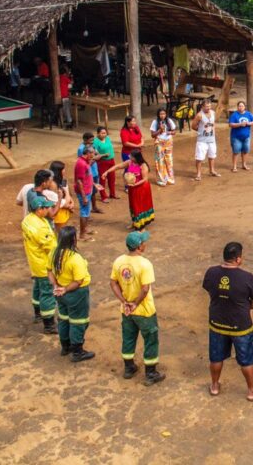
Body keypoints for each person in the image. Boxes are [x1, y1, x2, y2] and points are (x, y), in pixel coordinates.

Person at [202, 242, 253, 400]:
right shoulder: (247, 277)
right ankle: (252, 391)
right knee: (247, 360)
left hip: (217, 323)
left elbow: (208, 289)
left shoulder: (211, 272)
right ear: (238, 259)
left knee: (216, 357)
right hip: (241, 326)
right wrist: (246, 307)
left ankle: (215, 386)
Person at [109, 231, 165, 385]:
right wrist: (135, 303)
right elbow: (145, 288)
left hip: (126, 310)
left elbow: (113, 283)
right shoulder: (145, 264)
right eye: (144, 242)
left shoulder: (119, 261)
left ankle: (128, 368)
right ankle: (151, 373)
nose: (145, 244)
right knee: (150, 340)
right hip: (144, 310)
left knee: (128, 337)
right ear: (140, 246)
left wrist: (124, 301)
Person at [48, 226, 94, 361]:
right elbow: (78, 281)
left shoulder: (53, 253)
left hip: (60, 293)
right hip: (76, 294)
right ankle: (77, 352)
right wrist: (66, 289)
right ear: (73, 240)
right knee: (78, 321)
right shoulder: (75, 258)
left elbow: (49, 271)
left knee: (63, 318)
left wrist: (56, 285)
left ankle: (65, 346)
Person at [22, 195, 58, 332]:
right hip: (44, 265)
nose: (49, 209)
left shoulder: (28, 220)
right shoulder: (40, 228)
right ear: (39, 209)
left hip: (34, 262)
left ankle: (38, 314)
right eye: (47, 207)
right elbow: (51, 247)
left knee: (37, 288)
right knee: (48, 292)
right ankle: (49, 324)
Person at [101, 149, 155, 230]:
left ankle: (141, 226)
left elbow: (145, 179)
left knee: (140, 206)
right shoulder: (129, 162)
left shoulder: (143, 165)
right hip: (133, 188)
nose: (129, 156)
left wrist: (134, 184)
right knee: (133, 205)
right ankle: (135, 223)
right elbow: (118, 166)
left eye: (131, 156)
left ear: (136, 158)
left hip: (141, 189)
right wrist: (107, 172)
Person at [74, 146, 102, 240]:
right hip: (84, 192)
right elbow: (79, 181)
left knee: (87, 211)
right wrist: (84, 196)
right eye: (93, 153)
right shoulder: (81, 163)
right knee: (84, 213)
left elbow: (87, 176)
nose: (94, 155)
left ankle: (85, 229)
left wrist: (93, 184)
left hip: (87, 190)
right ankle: (82, 235)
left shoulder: (85, 161)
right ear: (88, 153)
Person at [192, 99, 220, 180]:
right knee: (199, 157)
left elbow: (213, 123)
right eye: (207, 106)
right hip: (202, 140)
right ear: (202, 107)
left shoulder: (213, 113)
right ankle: (198, 174)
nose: (209, 108)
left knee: (212, 155)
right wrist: (201, 130)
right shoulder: (199, 115)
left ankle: (212, 170)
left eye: (210, 106)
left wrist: (213, 131)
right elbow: (193, 126)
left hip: (211, 139)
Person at [150, 108, 177, 186]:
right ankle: (161, 180)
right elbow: (152, 135)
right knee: (159, 161)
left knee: (169, 160)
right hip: (159, 142)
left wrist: (170, 132)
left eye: (164, 114)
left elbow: (174, 131)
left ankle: (170, 179)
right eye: (161, 114)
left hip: (168, 142)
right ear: (158, 115)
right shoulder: (155, 122)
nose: (162, 116)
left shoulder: (169, 121)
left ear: (166, 114)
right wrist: (159, 130)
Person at [77, 132, 102, 214]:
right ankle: (88, 210)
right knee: (88, 191)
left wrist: (97, 156)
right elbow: (87, 162)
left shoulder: (91, 146)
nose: (92, 142)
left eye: (93, 140)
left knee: (94, 191)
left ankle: (93, 207)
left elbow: (97, 154)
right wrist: (96, 158)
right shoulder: (81, 149)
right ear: (85, 139)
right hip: (88, 173)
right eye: (91, 140)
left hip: (94, 171)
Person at [229, 101, 253, 172]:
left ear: (244, 107)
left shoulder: (248, 114)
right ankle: (234, 166)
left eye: (242, 106)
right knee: (236, 151)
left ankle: (244, 164)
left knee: (245, 150)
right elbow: (231, 124)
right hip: (236, 137)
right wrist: (240, 124)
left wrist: (249, 123)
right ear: (237, 107)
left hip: (246, 136)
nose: (241, 107)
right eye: (239, 106)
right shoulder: (234, 115)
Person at [94, 126, 119, 202]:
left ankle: (112, 194)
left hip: (111, 161)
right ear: (98, 134)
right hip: (102, 162)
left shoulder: (108, 138)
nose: (104, 134)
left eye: (105, 133)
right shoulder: (95, 141)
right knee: (102, 179)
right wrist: (103, 155)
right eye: (102, 133)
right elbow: (95, 152)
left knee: (112, 178)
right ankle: (103, 196)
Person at [50, 161, 74, 230]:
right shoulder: (53, 184)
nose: (64, 171)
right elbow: (55, 201)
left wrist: (72, 202)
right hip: (58, 214)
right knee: (60, 236)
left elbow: (69, 194)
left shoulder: (62, 180)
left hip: (64, 212)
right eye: (63, 169)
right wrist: (69, 205)